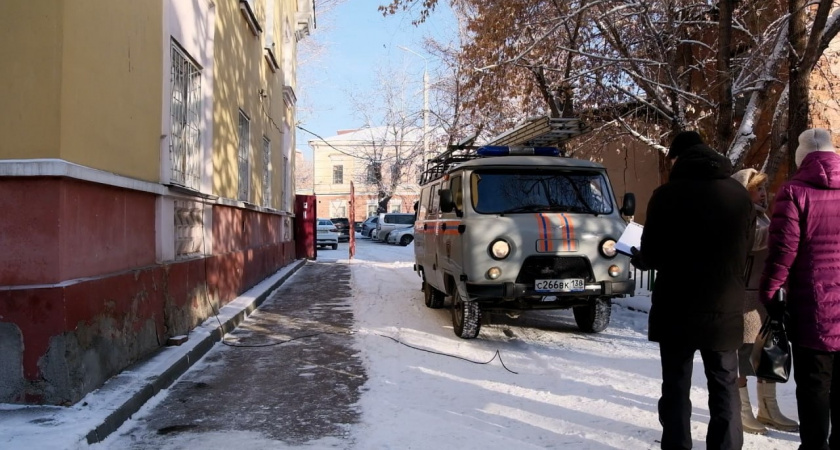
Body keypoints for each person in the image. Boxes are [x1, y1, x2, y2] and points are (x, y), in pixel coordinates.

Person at [632, 130, 754, 449]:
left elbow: (654, 254)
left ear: (679, 158)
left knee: (675, 386)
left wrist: (641, 259)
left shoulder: (666, 195)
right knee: (725, 385)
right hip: (724, 306)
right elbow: (747, 247)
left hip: (677, 307)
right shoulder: (739, 195)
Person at [760, 128, 840, 450]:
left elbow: (782, 251)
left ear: (801, 156)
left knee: (813, 387)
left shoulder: (793, 191)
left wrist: (770, 291)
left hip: (814, 308)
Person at [730, 168, 799, 434]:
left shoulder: (764, 217)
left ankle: (768, 409)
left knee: (767, 353)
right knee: (743, 356)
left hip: (765, 297)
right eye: (758, 188)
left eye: (764, 187)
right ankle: (743, 411)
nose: (763, 193)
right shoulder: (740, 218)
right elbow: (751, 244)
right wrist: (784, 232)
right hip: (745, 298)